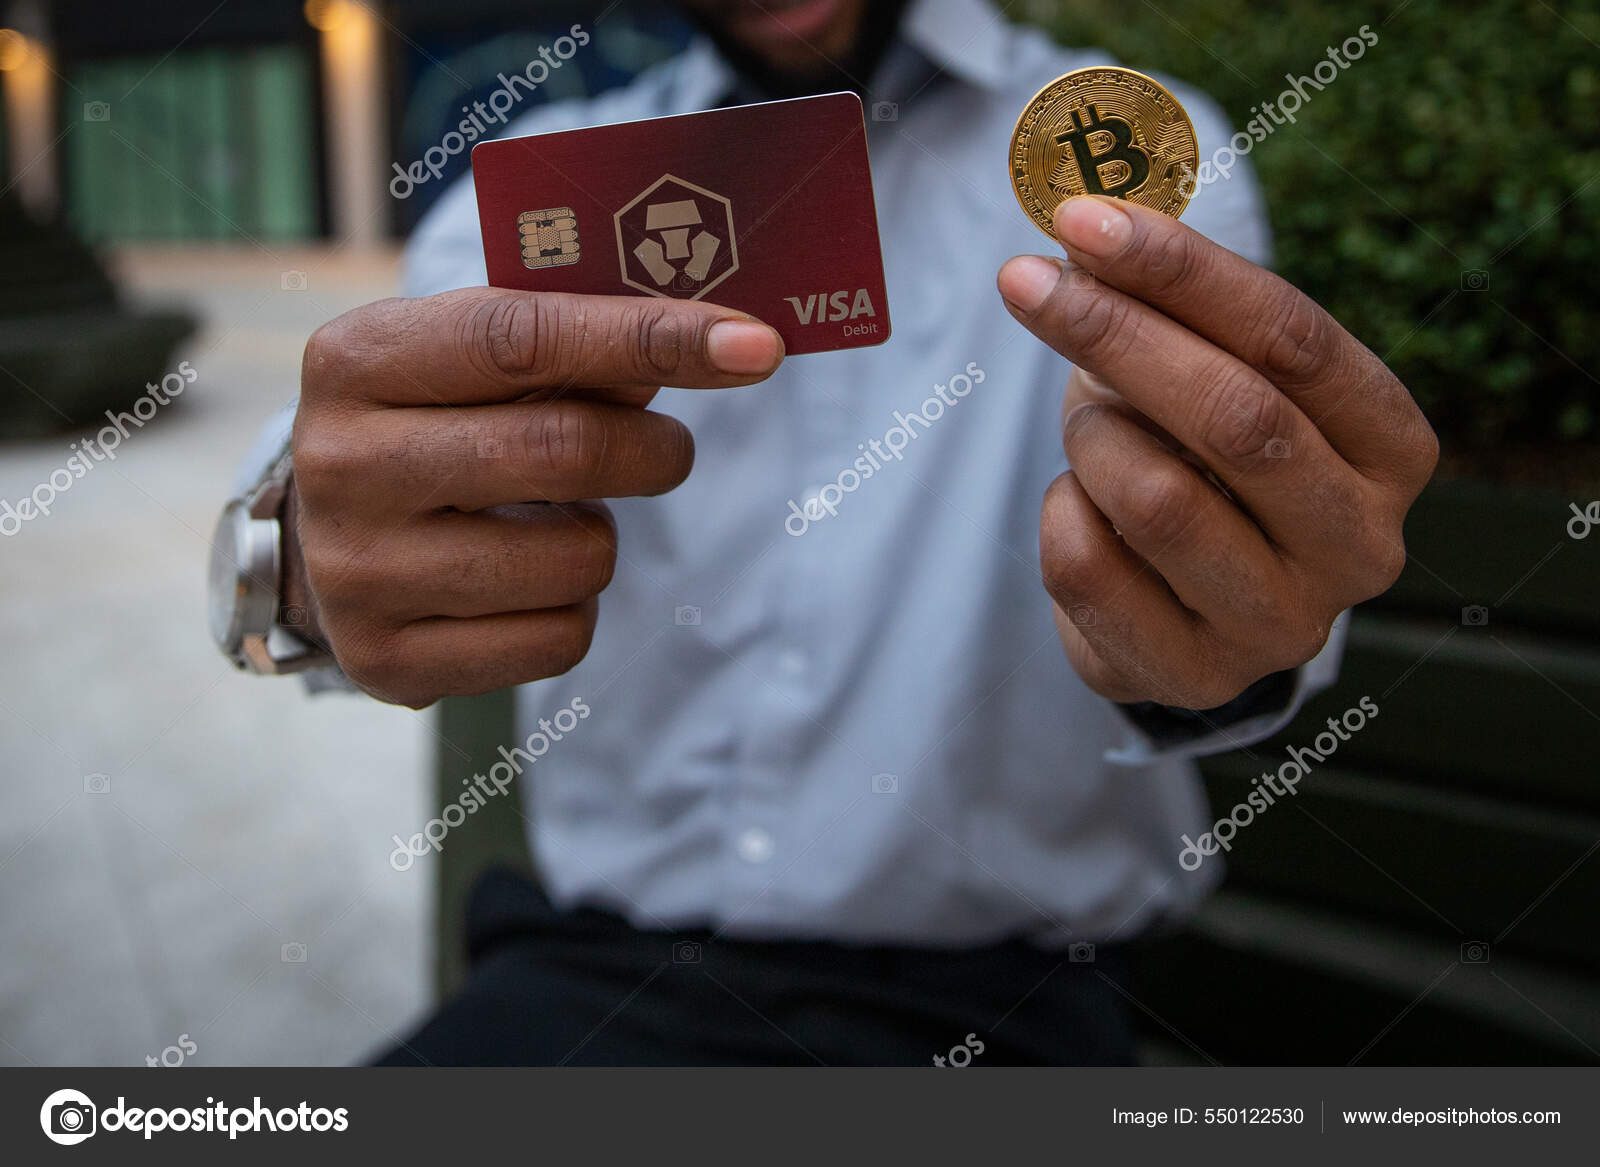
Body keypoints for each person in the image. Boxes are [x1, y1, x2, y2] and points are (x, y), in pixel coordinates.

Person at [209, 0, 1437, 1065]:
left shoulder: (1129, 155)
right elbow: (342, 470)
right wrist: (302, 556)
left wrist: (1228, 635)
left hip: (999, 1003)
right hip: (598, 984)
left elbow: (1228, 599)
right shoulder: (543, 184)